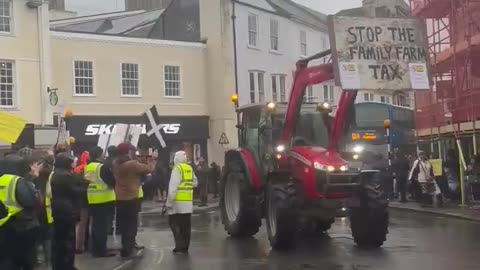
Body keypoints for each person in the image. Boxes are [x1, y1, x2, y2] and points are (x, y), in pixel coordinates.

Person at [0, 154, 41, 270]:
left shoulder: (1, 179)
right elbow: (31, 201)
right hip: (23, 225)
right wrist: (33, 181)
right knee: (26, 259)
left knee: (6, 259)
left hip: (4, 225)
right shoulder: (19, 181)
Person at [113, 143, 153, 259]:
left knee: (124, 224)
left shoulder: (116, 163)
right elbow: (148, 169)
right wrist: (150, 160)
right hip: (131, 197)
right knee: (131, 224)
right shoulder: (132, 164)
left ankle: (124, 247)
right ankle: (128, 249)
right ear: (128, 151)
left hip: (120, 197)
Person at [50, 153, 85, 270]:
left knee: (59, 240)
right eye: (73, 161)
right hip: (67, 210)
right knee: (67, 240)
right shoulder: (65, 176)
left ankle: (60, 265)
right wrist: (86, 182)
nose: (74, 163)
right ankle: (66, 265)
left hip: (58, 209)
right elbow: (76, 191)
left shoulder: (56, 174)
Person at [85, 146, 116, 257]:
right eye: (102, 153)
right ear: (99, 155)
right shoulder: (102, 167)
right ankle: (102, 250)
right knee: (103, 227)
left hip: (92, 199)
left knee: (95, 226)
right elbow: (111, 181)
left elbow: (87, 182)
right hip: (105, 199)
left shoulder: (88, 167)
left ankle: (95, 249)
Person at [167, 151, 198, 254]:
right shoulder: (189, 168)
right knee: (186, 226)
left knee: (174, 224)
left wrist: (169, 203)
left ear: (176, 158)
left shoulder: (177, 169)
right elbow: (195, 182)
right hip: (188, 203)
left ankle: (179, 246)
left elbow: (172, 188)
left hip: (177, 204)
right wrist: (187, 187)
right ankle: (185, 247)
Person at [73, 151, 89, 254]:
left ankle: (80, 245)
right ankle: (80, 246)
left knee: (81, 224)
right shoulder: (88, 169)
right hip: (87, 199)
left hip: (79, 200)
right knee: (84, 224)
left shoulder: (77, 169)